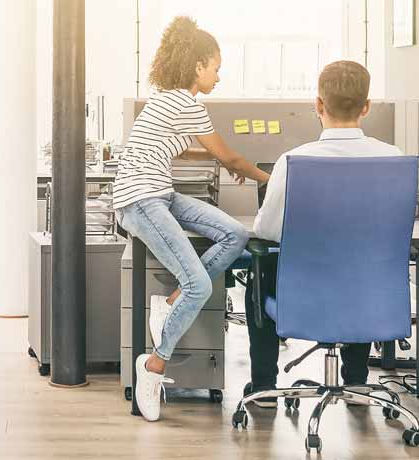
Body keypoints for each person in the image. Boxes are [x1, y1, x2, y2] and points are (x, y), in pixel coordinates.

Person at [123, 16, 272, 422]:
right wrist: (270, 177)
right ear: (197, 66)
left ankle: (170, 303)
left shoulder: (168, 99)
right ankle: (153, 366)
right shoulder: (186, 103)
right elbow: (230, 156)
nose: (218, 77)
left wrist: (219, 158)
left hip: (160, 192)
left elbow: (184, 148)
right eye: (216, 68)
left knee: (235, 233)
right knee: (200, 284)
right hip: (140, 200)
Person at [242, 60, 410, 408]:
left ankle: (264, 387)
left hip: (304, 301)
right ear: (366, 107)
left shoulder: (292, 162)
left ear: (318, 105)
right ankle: (357, 383)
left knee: (260, 269)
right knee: (362, 265)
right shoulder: (393, 159)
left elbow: (267, 231)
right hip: (371, 300)